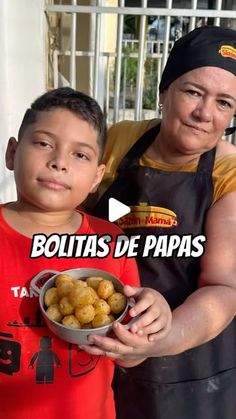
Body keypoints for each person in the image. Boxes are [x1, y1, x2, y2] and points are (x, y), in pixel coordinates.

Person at [86, 26, 236, 419]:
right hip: (97, 346)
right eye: (193, 92)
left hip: (192, 367)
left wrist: (160, 338)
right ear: (164, 91)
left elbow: (224, 286)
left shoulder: (228, 172)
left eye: (224, 102)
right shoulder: (119, 142)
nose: (205, 114)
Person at [0, 87, 172, 419]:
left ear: (97, 177)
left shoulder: (111, 242)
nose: (59, 162)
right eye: (44, 143)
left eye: (80, 155)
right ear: (12, 152)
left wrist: (151, 326)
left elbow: (130, 356)